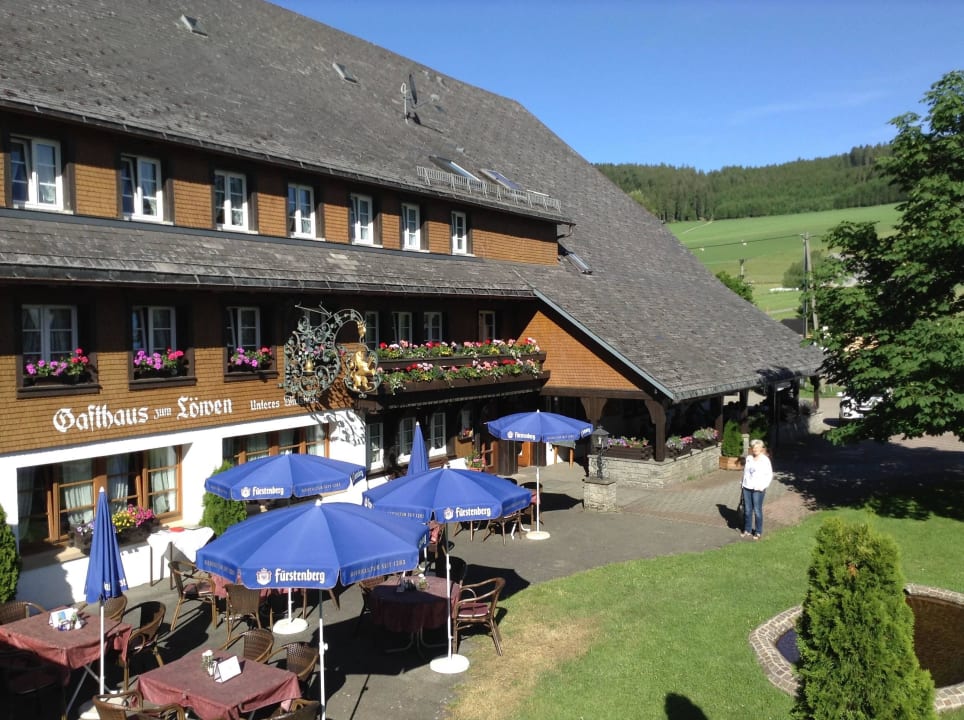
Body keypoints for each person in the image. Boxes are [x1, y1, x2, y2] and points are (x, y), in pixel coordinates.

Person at [741, 438, 772, 540]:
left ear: (761, 448)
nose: (755, 449)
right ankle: (747, 530)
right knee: (747, 510)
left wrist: (763, 486)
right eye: (754, 447)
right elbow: (745, 472)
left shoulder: (765, 460)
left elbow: (769, 475)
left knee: (757, 511)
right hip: (747, 487)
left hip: (758, 489)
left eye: (757, 447)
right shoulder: (749, 458)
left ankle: (758, 532)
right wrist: (742, 484)